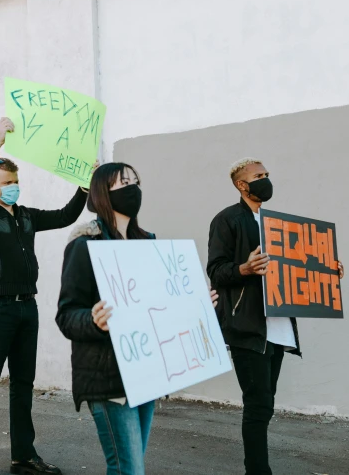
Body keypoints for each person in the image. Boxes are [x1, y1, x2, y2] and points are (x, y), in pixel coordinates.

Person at [56, 162, 219, 475]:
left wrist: (197, 307)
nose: (133, 189)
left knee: (130, 466)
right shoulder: (85, 245)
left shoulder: (148, 244)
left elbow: (160, 308)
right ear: (104, 192)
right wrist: (93, 320)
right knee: (128, 468)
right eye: (123, 183)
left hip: (147, 372)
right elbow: (66, 315)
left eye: (136, 181)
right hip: (108, 378)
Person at [0, 117, 88, 475]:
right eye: (7, 183)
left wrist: (83, 186)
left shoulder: (26, 216)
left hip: (26, 309)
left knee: (22, 385)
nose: (13, 187)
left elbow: (65, 216)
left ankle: (23, 453)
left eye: (16, 182)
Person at [207, 158, 344, 475]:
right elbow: (215, 270)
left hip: (280, 325)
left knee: (264, 404)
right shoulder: (227, 220)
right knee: (259, 405)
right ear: (242, 185)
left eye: (267, 175)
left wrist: (328, 270)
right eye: (258, 176)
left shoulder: (279, 225)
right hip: (248, 326)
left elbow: (301, 266)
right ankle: (257, 470)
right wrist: (245, 267)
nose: (266, 180)